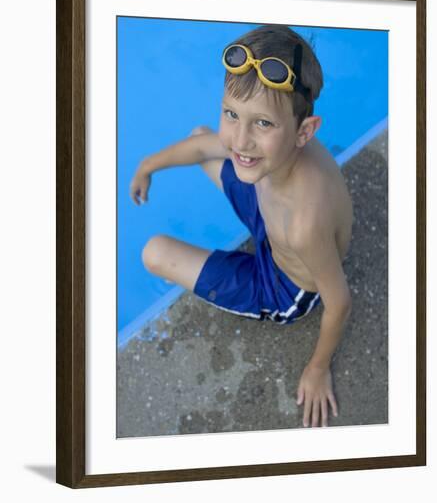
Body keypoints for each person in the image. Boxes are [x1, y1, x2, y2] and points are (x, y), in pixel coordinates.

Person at [129, 24, 353, 428]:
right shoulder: (277, 152)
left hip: (283, 285)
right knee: (202, 137)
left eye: (262, 124)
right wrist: (148, 165)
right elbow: (206, 145)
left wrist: (318, 369)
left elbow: (339, 302)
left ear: (306, 131)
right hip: (271, 212)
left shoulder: (304, 224)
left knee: (154, 253)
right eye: (232, 114)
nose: (242, 139)